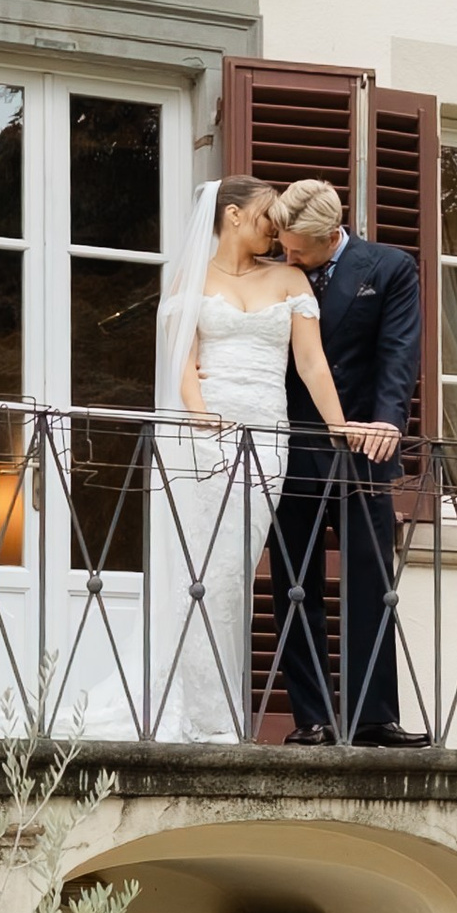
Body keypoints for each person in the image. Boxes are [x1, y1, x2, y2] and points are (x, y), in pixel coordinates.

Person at [149, 180, 362, 741]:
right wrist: (198, 417)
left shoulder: (290, 280)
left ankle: (222, 709)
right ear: (234, 214)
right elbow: (183, 365)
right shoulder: (190, 281)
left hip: (268, 438)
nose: (277, 227)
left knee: (236, 570)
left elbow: (312, 365)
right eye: (268, 216)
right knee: (203, 568)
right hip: (209, 434)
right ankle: (200, 714)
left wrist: (340, 427)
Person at [266, 179, 427, 746]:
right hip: (290, 447)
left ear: (331, 234)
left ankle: (373, 717)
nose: (287, 256)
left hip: (363, 448)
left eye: (297, 250)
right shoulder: (275, 270)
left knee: (370, 580)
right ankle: (311, 717)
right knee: (296, 586)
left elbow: (399, 349)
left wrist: (388, 421)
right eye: (283, 246)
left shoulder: (388, 267)